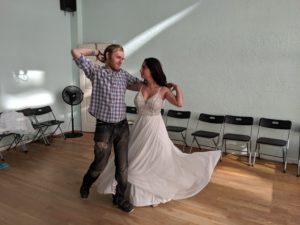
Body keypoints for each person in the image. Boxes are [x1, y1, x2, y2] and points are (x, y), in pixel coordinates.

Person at [95, 57, 221, 207]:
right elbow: (118, 79)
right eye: (141, 67)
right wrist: (108, 62)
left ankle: (151, 191)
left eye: (144, 67)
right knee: (132, 158)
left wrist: (177, 87)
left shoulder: (163, 90)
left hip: (155, 128)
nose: (141, 70)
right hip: (139, 127)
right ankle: (126, 191)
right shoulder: (140, 86)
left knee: (155, 159)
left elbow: (179, 104)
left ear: (152, 70)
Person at [71, 44, 141, 213]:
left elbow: (140, 85)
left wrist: (159, 84)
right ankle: (86, 183)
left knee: (122, 166)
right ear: (108, 55)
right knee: (99, 165)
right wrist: (96, 52)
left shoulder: (124, 76)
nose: (121, 61)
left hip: (123, 127)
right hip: (104, 128)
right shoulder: (96, 71)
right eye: (118, 57)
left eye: (123, 58)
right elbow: (75, 52)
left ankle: (119, 199)